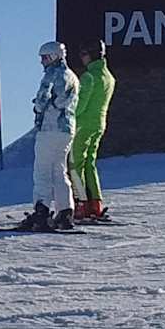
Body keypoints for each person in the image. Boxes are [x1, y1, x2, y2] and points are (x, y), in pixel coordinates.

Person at [17, 40, 79, 231]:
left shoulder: (51, 75)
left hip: (49, 128)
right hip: (66, 130)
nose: (42, 61)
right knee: (59, 170)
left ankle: (41, 213)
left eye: (45, 57)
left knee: (42, 171)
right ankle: (65, 212)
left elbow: (43, 99)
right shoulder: (72, 76)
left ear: (54, 56)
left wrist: (38, 106)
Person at [71, 39, 116, 220]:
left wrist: (68, 114)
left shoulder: (89, 77)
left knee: (75, 164)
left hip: (82, 125)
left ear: (91, 55)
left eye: (83, 54)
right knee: (90, 162)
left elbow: (80, 106)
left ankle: (80, 204)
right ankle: (95, 204)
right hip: (99, 123)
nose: (82, 58)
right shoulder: (108, 77)